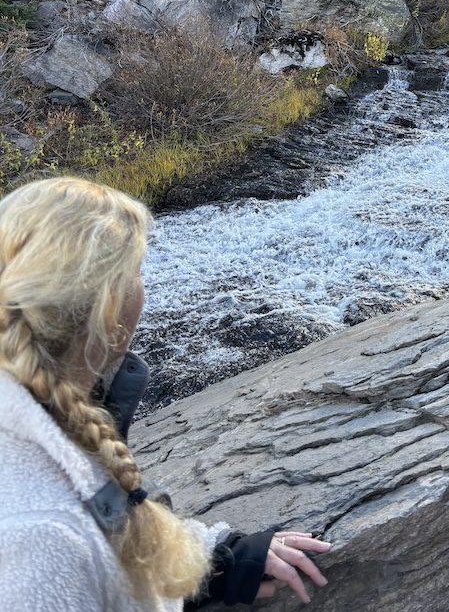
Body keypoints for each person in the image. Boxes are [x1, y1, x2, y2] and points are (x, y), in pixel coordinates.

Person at [0, 177, 331, 610]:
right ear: (108, 308)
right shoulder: (40, 538)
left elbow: (106, 516)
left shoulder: (38, 415)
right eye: (136, 272)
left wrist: (216, 560)